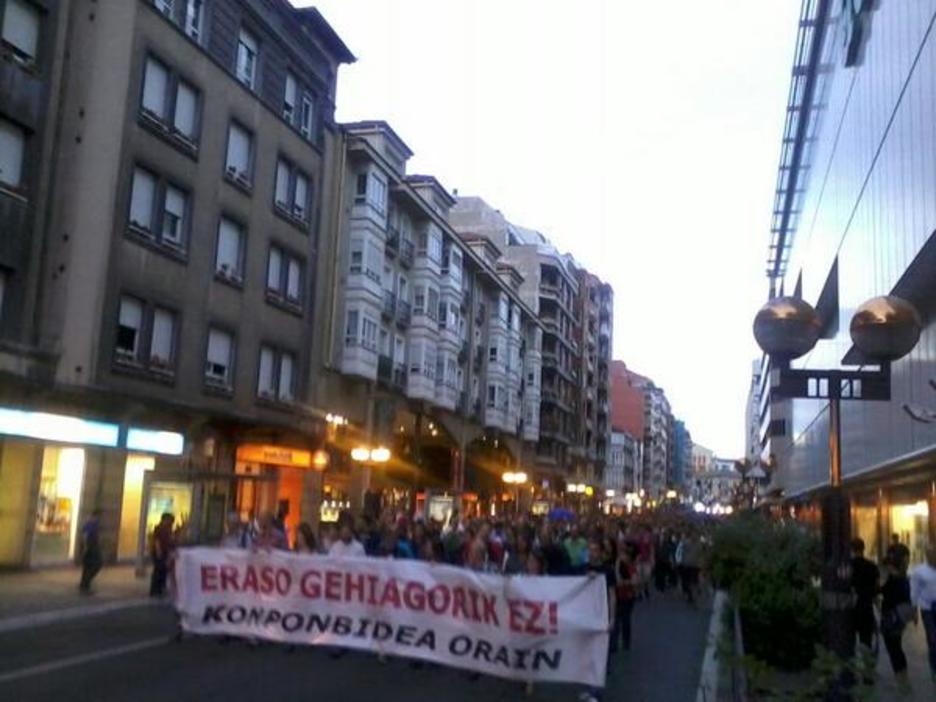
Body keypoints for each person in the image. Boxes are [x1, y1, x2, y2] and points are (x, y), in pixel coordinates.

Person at [580, 538, 615, 702]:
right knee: (587, 653)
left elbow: (612, 595)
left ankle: (596, 692)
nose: (592, 553)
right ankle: (588, 688)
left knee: (599, 654)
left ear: (601, 553)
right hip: (587, 614)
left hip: (602, 615)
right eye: (590, 550)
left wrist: (612, 617)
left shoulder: (607, 570)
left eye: (595, 550)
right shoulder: (584, 568)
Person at [879, 556, 913, 693]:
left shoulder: (890, 580)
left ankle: (900, 682)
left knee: (893, 649)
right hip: (901, 618)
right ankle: (904, 679)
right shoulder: (904, 579)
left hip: (890, 617)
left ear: (889, 566)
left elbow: (882, 592)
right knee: (898, 647)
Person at [910, 545, 936, 683]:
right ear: (927, 555)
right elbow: (914, 591)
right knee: (933, 639)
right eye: (931, 554)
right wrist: (914, 611)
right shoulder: (919, 572)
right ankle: (934, 668)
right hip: (927, 609)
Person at [849, 538, 880, 652]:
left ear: (851, 550)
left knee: (849, 640)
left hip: (851, 607)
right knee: (866, 640)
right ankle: (866, 665)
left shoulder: (848, 566)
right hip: (867, 606)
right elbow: (876, 588)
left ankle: (851, 665)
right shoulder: (872, 566)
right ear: (863, 549)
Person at [612, 539, 638, 653]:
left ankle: (626, 641)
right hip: (618, 594)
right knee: (617, 619)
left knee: (625, 619)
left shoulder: (630, 566)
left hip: (627, 595)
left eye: (623, 554)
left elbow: (635, 580)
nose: (621, 556)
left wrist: (623, 582)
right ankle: (614, 644)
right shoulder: (618, 563)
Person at [150, 512, 176, 597]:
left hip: (165, 552)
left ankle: (160, 588)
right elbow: (157, 541)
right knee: (158, 570)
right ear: (164, 520)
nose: (171, 523)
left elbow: (171, 540)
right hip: (160, 552)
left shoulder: (168, 529)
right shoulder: (159, 528)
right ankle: (155, 590)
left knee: (163, 571)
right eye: (169, 520)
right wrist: (158, 551)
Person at [78, 508, 103, 594]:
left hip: (90, 547)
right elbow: (86, 535)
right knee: (97, 564)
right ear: (96, 516)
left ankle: (84, 585)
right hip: (91, 548)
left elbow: (84, 534)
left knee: (87, 566)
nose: (100, 519)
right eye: (99, 516)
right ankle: (85, 583)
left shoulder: (91, 523)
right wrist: (85, 547)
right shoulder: (92, 523)